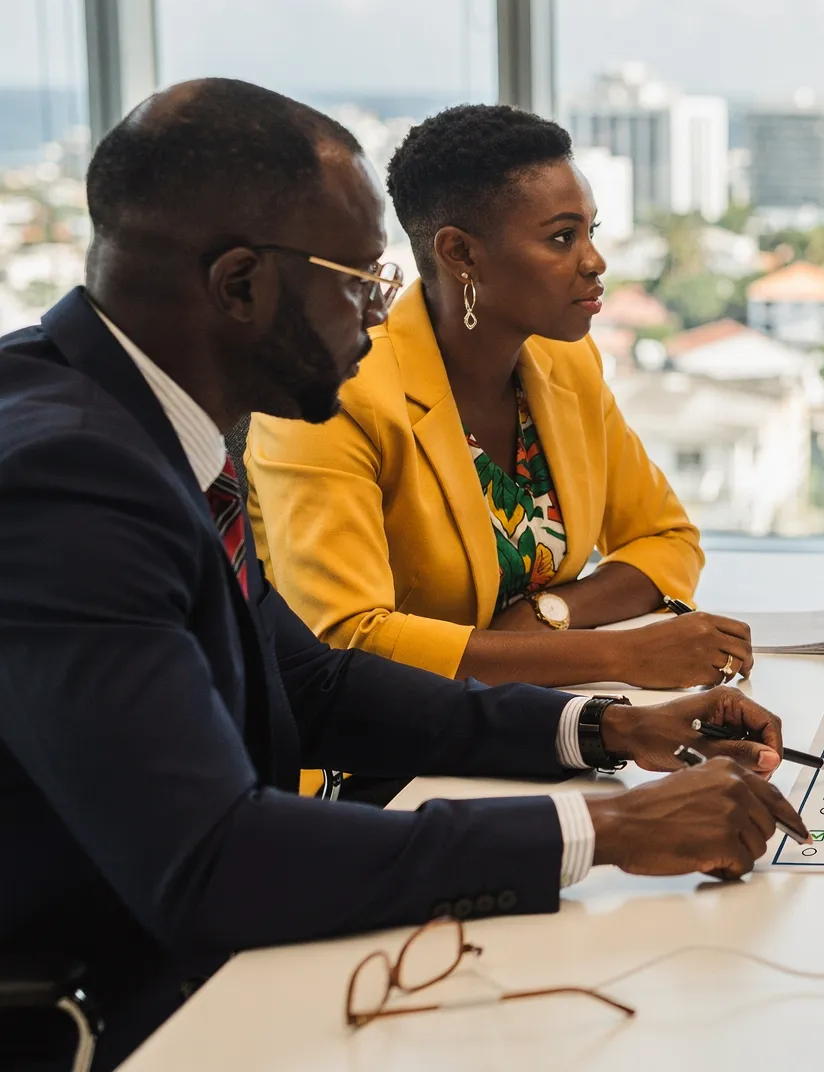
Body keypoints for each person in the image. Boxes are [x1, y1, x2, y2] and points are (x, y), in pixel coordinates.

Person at [0, 79, 807, 1069]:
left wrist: (608, 728)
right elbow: (216, 859)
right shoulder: (67, 478)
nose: (380, 318)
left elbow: (313, 681)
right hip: (112, 1012)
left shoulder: (140, 427)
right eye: (359, 283)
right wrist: (609, 828)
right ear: (239, 285)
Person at [245, 104, 749, 692]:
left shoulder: (568, 364)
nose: (594, 261)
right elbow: (348, 642)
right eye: (562, 238)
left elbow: (666, 539)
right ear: (460, 254)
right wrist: (615, 657)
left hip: (545, 722)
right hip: (380, 762)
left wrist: (549, 615)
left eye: (592, 232)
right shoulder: (334, 397)